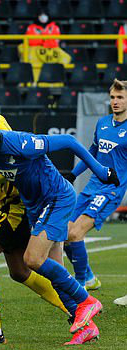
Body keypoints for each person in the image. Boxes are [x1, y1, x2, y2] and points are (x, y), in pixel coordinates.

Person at [0, 107, 119, 344]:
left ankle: (87, 301)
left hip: (57, 200)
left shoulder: (21, 143)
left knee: (32, 260)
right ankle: (87, 328)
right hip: (36, 207)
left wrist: (102, 172)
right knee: (53, 273)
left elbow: (68, 141)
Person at [0, 75, 71, 345]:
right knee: (19, 271)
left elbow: (9, 163)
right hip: (17, 203)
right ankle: (76, 310)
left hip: (15, 205)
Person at [63, 79, 127, 293]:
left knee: (75, 234)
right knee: (63, 233)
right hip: (91, 186)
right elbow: (91, 154)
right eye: (113, 97)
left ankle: (80, 285)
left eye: (120, 97)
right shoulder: (103, 123)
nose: (115, 102)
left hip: (111, 190)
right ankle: (88, 277)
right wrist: (72, 175)